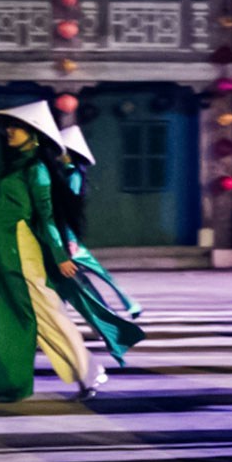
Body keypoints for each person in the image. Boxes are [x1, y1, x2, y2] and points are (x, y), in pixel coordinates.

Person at [0, 102, 132, 406]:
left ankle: (88, 371)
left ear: (33, 133)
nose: (9, 131)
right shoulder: (8, 167)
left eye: (16, 126)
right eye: (8, 126)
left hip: (22, 255)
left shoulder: (37, 170)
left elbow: (46, 216)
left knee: (47, 318)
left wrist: (60, 255)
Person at [55, 125, 143, 320]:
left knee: (92, 277)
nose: (56, 154)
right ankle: (121, 308)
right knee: (87, 279)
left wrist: (69, 239)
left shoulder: (72, 175)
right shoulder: (70, 173)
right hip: (68, 237)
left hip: (68, 239)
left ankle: (123, 308)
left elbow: (70, 209)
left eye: (59, 150)